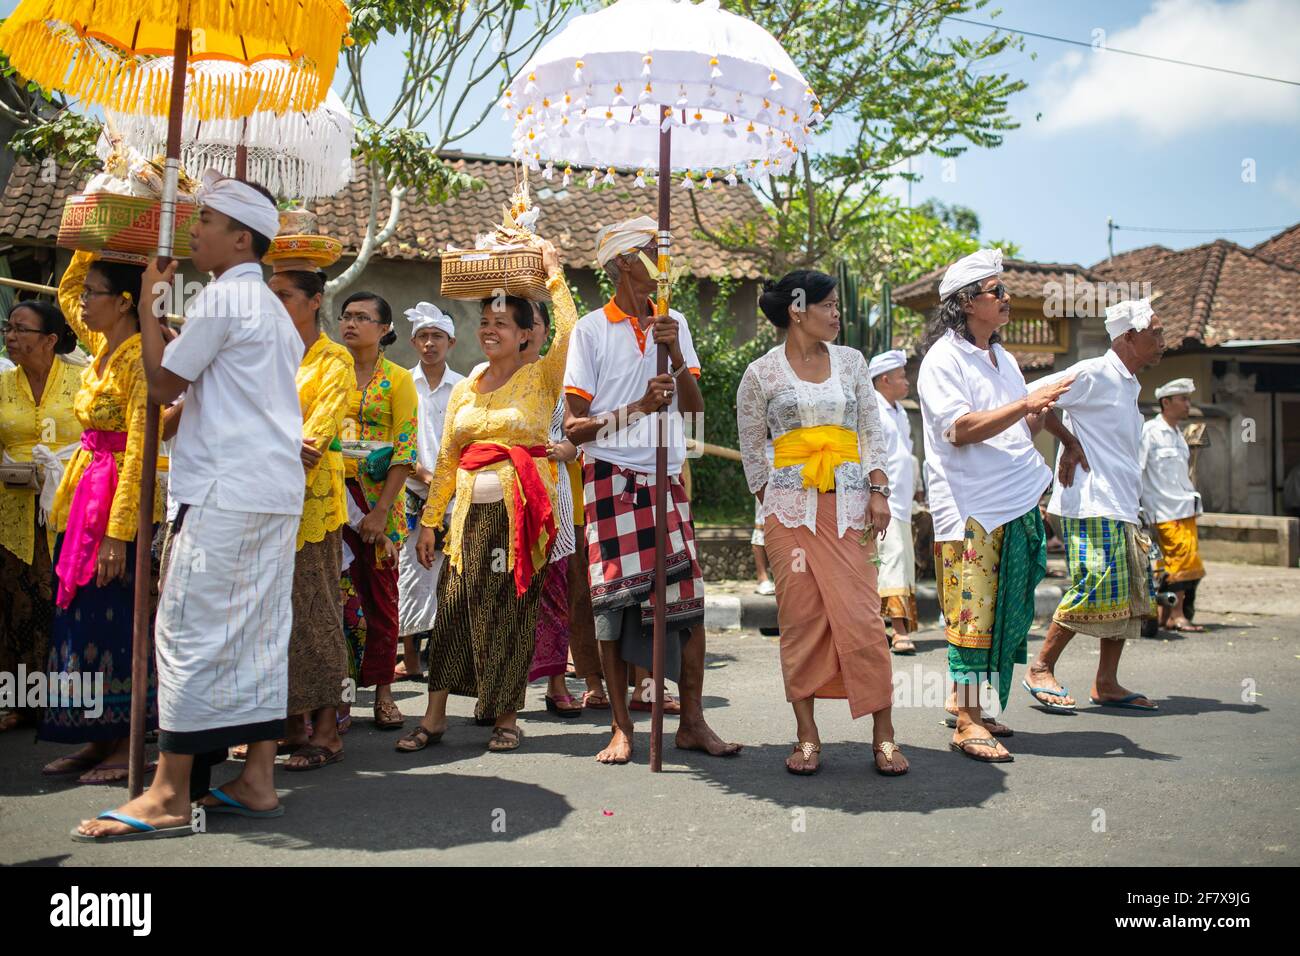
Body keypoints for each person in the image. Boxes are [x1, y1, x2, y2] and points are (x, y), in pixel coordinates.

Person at [75, 171, 302, 841]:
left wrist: (148, 307)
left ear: (240, 238)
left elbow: (160, 383)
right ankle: (257, 777)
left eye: (205, 220)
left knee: (189, 630)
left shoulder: (227, 300)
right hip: (268, 492)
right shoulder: (267, 308)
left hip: (227, 492)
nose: (193, 229)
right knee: (260, 632)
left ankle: (171, 793)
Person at [562, 216, 740, 765]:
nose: (660, 264)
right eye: (648, 254)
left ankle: (692, 722)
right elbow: (574, 428)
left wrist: (677, 355)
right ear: (621, 263)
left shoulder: (674, 321)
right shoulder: (590, 330)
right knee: (613, 604)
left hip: (666, 479)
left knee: (686, 603)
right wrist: (639, 407)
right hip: (610, 477)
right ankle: (621, 728)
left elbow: (695, 410)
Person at [399, 240, 572, 754]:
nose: (489, 329)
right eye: (485, 321)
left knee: (511, 613)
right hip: (467, 516)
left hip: (520, 516)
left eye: (502, 322)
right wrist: (431, 521)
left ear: (526, 335)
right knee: (451, 610)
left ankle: (506, 717)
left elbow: (569, 328)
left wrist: (554, 273)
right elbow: (450, 458)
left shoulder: (542, 376)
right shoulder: (468, 386)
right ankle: (433, 718)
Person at [737, 271, 906, 776]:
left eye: (837, 304)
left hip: (850, 507)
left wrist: (878, 489)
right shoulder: (760, 374)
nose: (837, 314)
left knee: (862, 619)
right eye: (828, 305)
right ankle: (807, 735)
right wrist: (776, 503)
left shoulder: (852, 363)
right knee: (801, 621)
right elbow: (752, 452)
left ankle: (885, 732)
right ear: (797, 309)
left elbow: (871, 431)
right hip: (789, 516)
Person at [917, 248, 1075, 763]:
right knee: (973, 612)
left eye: (1004, 290)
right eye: (996, 292)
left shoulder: (1003, 359)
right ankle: (965, 722)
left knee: (1009, 608)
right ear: (964, 303)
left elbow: (1013, 426)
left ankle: (974, 706)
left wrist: (1043, 417)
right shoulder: (943, 360)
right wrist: (1025, 404)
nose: (1007, 299)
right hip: (972, 508)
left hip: (1015, 497)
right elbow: (959, 430)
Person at [40, 253, 163, 784]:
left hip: (118, 508)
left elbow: (140, 448)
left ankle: (122, 742)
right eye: (88, 291)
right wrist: (93, 240)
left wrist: (118, 534)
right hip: (82, 493)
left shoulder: (139, 358)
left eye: (96, 292)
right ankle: (95, 736)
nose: (84, 300)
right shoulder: (102, 347)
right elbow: (64, 294)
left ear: (125, 302)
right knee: (79, 621)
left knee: (115, 624)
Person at [1026, 298, 1165, 715]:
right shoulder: (1094, 373)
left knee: (1126, 594)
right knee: (1096, 582)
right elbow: (1035, 396)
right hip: (1090, 504)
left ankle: (1106, 682)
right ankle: (1040, 666)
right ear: (1128, 336)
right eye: (1155, 333)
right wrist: (1067, 442)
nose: (1163, 341)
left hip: (1120, 503)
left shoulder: (1128, 383)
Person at [273, 266, 353, 770]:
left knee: (315, 612)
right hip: (262, 503)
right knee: (271, 617)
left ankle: (326, 730)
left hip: (312, 508)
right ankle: (284, 724)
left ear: (314, 301)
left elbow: (312, 444)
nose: (273, 303)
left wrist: (254, 444)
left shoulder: (334, 360)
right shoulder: (265, 353)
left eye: (284, 295)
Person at [0, 300, 81, 734]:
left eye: (21, 329)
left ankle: (67, 700)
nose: (11, 337)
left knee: (61, 601)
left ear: (50, 339)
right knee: (16, 605)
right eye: (7, 328)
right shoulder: (3, 385)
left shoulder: (81, 382)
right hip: (11, 510)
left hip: (69, 508)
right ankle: (21, 704)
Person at [338, 291, 417, 730]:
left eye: (363, 318)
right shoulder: (328, 371)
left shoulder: (399, 380)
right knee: (337, 596)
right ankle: (340, 695)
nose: (351, 324)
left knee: (381, 598)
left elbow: (405, 448)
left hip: (379, 498)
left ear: (385, 329)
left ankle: (384, 694)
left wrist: (381, 511)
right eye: (346, 316)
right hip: (331, 496)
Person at [395, 302, 463, 681]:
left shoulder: (466, 386)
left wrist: (446, 482)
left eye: (437, 336)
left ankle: (445, 655)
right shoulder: (403, 384)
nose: (430, 343)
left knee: (450, 574)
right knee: (411, 573)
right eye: (423, 336)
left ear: (450, 342)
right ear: (413, 342)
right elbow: (398, 440)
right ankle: (410, 657)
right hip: (412, 489)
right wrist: (422, 473)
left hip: (455, 493)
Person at [524, 300, 584, 717]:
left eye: (532, 323)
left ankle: (557, 681)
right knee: (502, 595)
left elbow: (581, 430)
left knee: (554, 592)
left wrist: (571, 447)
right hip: (499, 496)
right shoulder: (484, 378)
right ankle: (499, 688)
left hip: (553, 494)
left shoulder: (562, 379)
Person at [1140, 378, 1206, 632]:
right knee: (1176, 562)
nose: (1188, 404)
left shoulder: (1179, 434)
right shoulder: (1150, 432)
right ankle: (1177, 615)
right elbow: (1138, 469)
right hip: (1163, 509)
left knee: (1188, 564)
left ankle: (1167, 616)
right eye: (1183, 399)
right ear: (1166, 403)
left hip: (1184, 507)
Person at [869, 348, 920, 655]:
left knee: (894, 563)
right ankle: (898, 631)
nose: (907, 382)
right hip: (882, 500)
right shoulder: (873, 410)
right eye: (902, 377)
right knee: (893, 560)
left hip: (902, 502)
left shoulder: (899, 411)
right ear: (885, 379)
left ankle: (884, 626)